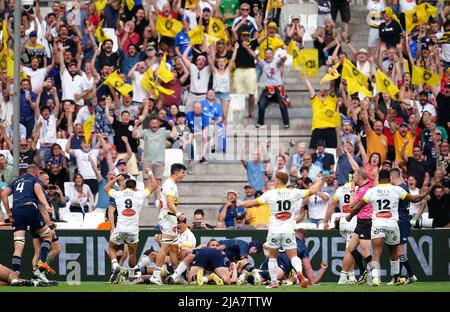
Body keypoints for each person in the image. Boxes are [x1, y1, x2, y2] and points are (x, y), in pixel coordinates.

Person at [237, 172, 322, 288]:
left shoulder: (270, 194)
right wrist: (318, 180)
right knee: (293, 256)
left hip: (274, 230)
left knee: (272, 257)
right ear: (286, 181)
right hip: (288, 230)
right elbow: (312, 191)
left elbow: (252, 203)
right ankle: (300, 274)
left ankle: (273, 283)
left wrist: (241, 203)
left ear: (277, 181)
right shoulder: (294, 192)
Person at [347, 169, 430, 286]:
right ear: (390, 178)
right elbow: (415, 199)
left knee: (376, 252)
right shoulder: (397, 189)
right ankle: (396, 277)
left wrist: (349, 217)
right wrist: (426, 193)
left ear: (379, 179)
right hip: (392, 225)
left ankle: (375, 278)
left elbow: (357, 207)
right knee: (394, 252)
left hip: (377, 225)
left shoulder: (372, 191)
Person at [0, 165, 56, 284]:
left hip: (17, 211)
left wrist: (9, 213)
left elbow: (3, 194)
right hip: (29, 208)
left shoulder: (16, 180)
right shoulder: (34, 180)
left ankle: (15, 276)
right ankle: (40, 270)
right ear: (36, 173)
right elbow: (37, 189)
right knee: (48, 235)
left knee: (19, 245)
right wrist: (46, 204)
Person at [105, 170, 157, 283]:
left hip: (120, 228)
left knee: (111, 247)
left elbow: (106, 188)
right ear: (135, 187)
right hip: (133, 230)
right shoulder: (139, 194)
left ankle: (115, 265)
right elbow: (154, 185)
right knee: (132, 253)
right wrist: (150, 173)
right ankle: (132, 274)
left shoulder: (118, 194)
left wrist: (115, 179)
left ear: (125, 185)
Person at [151, 163, 187, 285]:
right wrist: (178, 215)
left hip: (169, 218)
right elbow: (169, 203)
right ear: (175, 173)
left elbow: (163, 203)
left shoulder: (171, 184)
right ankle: (155, 275)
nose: (183, 175)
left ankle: (176, 275)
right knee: (165, 246)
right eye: (182, 173)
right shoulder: (170, 185)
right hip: (169, 218)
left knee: (174, 248)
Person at [323, 181, 357, 284]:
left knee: (351, 248)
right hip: (353, 221)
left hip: (343, 221)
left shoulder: (340, 189)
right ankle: (343, 276)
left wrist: (325, 221)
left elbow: (331, 205)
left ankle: (351, 276)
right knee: (350, 249)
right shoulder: (358, 188)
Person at [389, 168, 418, 284]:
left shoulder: (400, 189)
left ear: (392, 177)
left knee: (398, 253)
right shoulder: (403, 186)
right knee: (397, 252)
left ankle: (398, 278)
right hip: (400, 221)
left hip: (402, 221)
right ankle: (411, 276)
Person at [303, 72, 338, 149]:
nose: (323, 91)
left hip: (330, 129)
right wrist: (306, 79)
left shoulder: (331, 99)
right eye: (321, 90)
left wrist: (332, 76)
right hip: (317, 130)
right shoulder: (315, 100)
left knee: (331, 151)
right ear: (318, 93)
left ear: (327, 92)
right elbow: (310, 89)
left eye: (325, 90)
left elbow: (332, 87)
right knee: (313, 151)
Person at [256, 48, 289, 129]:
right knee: (261, 104)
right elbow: (255, 56)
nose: (268, 55)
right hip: (268, 89)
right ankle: (260, 123)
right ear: (265, 55)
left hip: (278, 88)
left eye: (270, 53)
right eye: (266, 53)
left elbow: (281, 61)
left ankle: (286, 123)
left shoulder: (276, 62)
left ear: (273, 54)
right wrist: (247, 47)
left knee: (282, 104)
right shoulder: (263, 63)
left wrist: (283, 58)